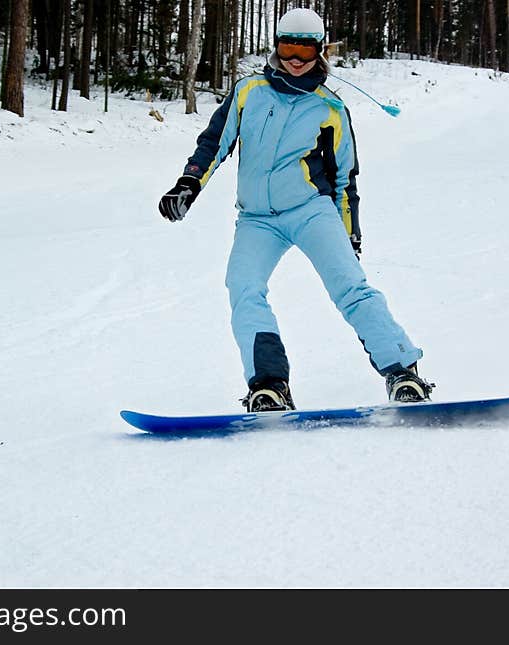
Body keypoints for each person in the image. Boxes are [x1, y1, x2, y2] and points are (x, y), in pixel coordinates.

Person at [157, 8, 432, 412]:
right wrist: (189, 183)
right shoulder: (249, 91)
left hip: (310, 212)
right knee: (243, 288)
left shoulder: (330, 110)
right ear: (276, 47)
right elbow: (214, 142)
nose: (296, 60)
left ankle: (404, 374)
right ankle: (269, 384)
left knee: (350, 288)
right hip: (256, 220)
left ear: (320, 51)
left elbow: (344, 181)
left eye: (305, 51)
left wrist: (349, 233)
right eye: (288, 48)